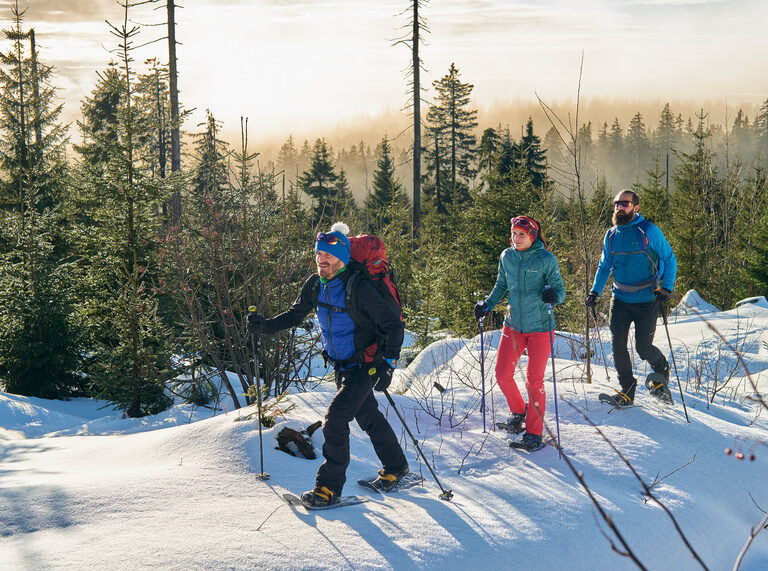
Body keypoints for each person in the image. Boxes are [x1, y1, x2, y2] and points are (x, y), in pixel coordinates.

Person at [247, 222, 408, 507]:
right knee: (367, 415)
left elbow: (393, 325)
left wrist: (389, 363)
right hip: (342, 364)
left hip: (366, 364)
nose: (322, 259)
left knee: (335, 419)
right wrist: (265, 327)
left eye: (328, 256)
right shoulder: (315, 283)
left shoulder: (359, 288)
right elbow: (295, 315)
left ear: (343, 258)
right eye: (319, 254)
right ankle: (396, 466)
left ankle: (328, 489)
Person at [475, 216, 565, 451]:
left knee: (534, 380)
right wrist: (487, 305)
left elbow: (560, 290)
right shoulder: (507, 256)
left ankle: (534, 434)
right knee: (502, 374)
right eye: (514, 234)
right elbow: (501, 285)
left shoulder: (546, 259)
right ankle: (519, 411)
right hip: (513, 325)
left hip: (540, 328)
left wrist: (554, 297)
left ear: (532, 236)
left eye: (521, 235)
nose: (516, 238)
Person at [585, 189, 677, 407]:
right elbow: (604, 265)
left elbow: (669, 258)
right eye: (617, 203)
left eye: (624, 203)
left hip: (647, 300)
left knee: (643, 348)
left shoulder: (649, 231)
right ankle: (627, 390)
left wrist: (667, 289)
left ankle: (661, 368)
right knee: (617, 345)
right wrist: (594, 291)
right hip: (619, 299)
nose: (619, 207)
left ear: (636, 207)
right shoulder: (611, 235)